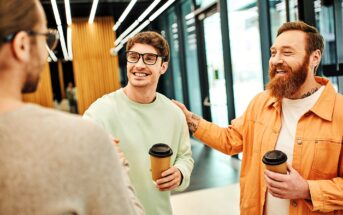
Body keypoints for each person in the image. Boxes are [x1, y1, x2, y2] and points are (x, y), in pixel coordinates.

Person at [173, 21, 343, 214]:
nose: (276, 60)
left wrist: (306, 190)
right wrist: (190, 120)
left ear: (315, 58)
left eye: (287, 53)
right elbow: (231, 140)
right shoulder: (262, 102)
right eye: (273, 52)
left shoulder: (339, 112)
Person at [0, 0, 144, 214]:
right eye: (45, 38)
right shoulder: (82, 141)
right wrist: (116, 165)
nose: (47, 50)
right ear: (21, 45)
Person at [83, 31, 194, 215]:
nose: (139, 65)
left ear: (163, 67)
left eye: (149, 58)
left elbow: (185, 157)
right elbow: (77, 158)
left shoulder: (174, 114)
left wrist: (180, 173)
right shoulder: (100, 111)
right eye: (133, 57)